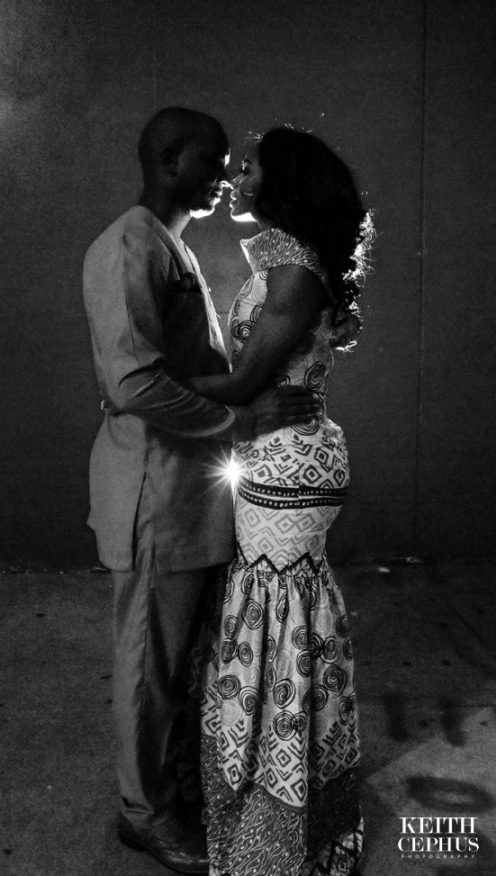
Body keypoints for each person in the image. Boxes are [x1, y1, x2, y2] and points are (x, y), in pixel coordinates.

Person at [82, 107, 320, 874]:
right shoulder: (128, 245)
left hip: (181, 491)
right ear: (170, 156)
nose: (222, 174)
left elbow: (148, 376)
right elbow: (133, 381)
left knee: (177, 659)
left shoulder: (166, 245)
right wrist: (236, 415)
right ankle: (144, 815)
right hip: (155, 496)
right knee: (151, 663)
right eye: (212, 160)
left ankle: (166, 795)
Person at [186, 127, 373, 875]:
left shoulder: (294, 271)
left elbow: (240, 385)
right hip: (281, 454)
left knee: (275, 625)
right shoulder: (284, 262)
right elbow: (249, 385)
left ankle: (280, 829)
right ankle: (291, 806)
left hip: (290, 464)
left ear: (284, 184)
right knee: (280, 621)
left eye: (251, 165)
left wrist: (139, 388)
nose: (237, 174)